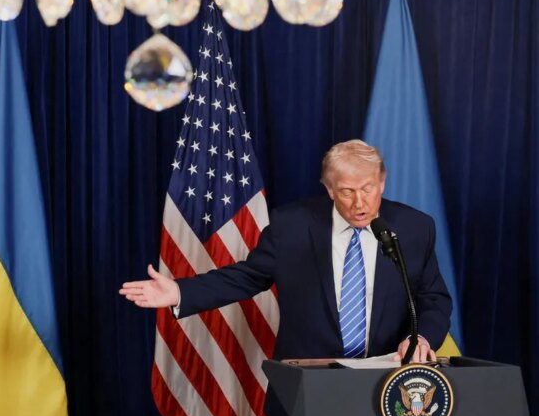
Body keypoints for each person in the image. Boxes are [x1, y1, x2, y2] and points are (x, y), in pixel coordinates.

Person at [120, 140, 452, 364]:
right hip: (308, 381)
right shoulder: (291, 225)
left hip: (387, 376)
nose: (359, 202)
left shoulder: (414, 227)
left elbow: (433, 298)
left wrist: (422, 337)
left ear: (382, 182)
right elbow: (247, 277)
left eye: (368, 189)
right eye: (347, 191)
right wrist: (180, 291)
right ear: (329, 189)